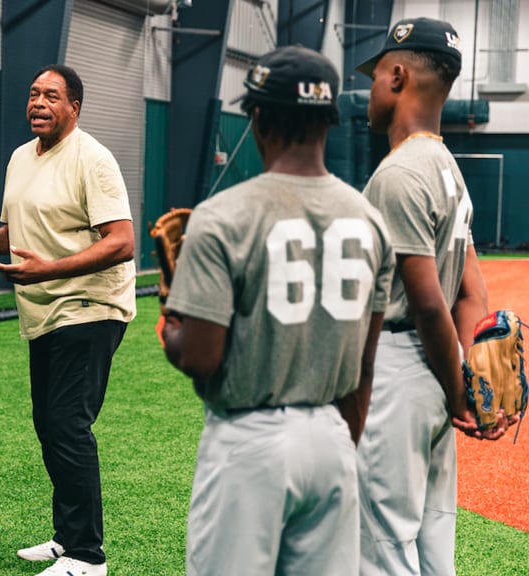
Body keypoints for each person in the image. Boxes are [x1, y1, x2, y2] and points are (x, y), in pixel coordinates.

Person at [162, 46, 395, 575]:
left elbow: (200, 356)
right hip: (333, 436)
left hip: (250, 442)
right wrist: (338, 444)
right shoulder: (370, 220)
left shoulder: (222, 216)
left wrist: (171, 328)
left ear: (258, 116)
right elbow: (364, 365)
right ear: (331, 120)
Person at [354, 17, 514, 575]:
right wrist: (469, 377)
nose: (369, 89)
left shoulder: (398, 175)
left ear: (397, 76)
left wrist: (459, 392)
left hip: (401, 370)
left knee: (382, 546)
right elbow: (471, 289)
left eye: (374, 76)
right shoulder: (448, 168)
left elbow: (426, 305)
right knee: (430, 538)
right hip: (434, 372)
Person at [0, 64, 135, 576]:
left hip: (90, 306)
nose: (38, 103)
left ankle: (88, 557)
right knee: (50, 424)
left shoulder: (93, 159)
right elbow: (18, 228)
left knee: (67, 423)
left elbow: (123, 242)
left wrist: (50, 270)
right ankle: (68, 537)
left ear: (74, 108)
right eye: (33, 94)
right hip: (44, 309)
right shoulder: (21, 157)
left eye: (51, 96)